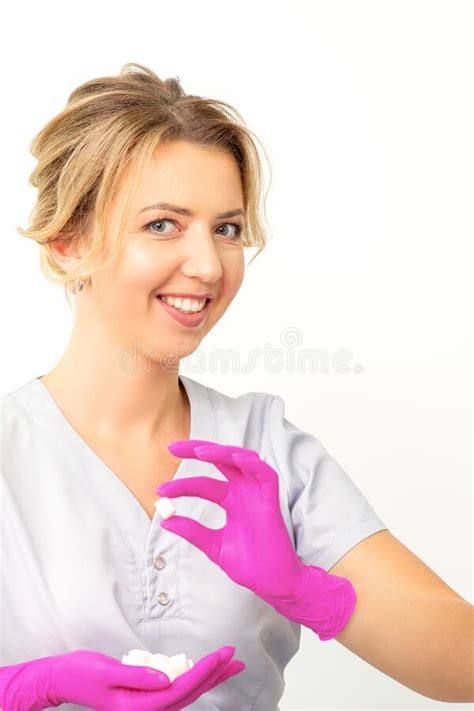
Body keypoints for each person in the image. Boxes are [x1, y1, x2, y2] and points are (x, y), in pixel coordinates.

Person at [2, 64, 469, 711]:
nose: (206, 265)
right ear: (68, 242)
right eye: (163, 224)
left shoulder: (265, 451)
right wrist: (27, 686)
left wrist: (313, 591)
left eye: (226, 228)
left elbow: (466, 660)